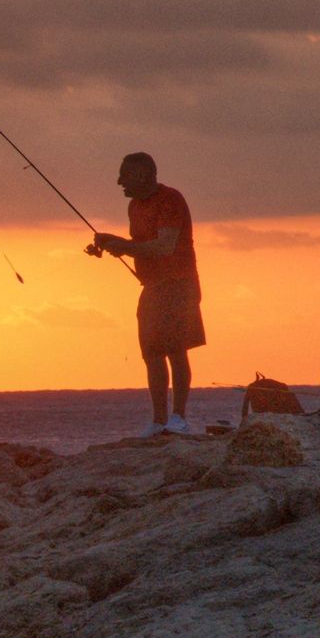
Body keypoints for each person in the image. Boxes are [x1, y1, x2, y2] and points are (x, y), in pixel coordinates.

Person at [91, 152, 206, 438]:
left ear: (143, 175)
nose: (119, 181)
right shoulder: (134, 207)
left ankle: (178, 419)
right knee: (151, 352)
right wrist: (112, 243)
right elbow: (142, 244)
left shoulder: (171, 200)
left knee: (176, 350)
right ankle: (158, 421)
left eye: (124, 175)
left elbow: (164, 246)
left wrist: (124, 247)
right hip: (152, 285)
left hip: (179, 283)